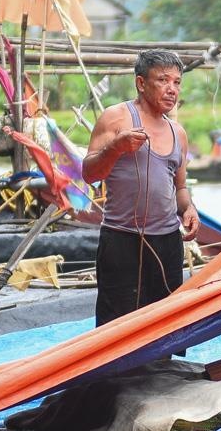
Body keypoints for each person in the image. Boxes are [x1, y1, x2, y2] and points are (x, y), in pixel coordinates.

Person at [83, 48, 199, 325]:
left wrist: (189, 208)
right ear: (141, 83)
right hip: (122, 238)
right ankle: (117, 369)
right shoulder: (116, 118)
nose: (172, 89)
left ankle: (163, 369)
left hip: (167, 240)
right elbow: (89, 174)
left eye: (177, 82)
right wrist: (115, 148)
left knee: (164, 322)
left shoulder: (177, 132)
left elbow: (179, 186)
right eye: (163, 80)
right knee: (117, 324)